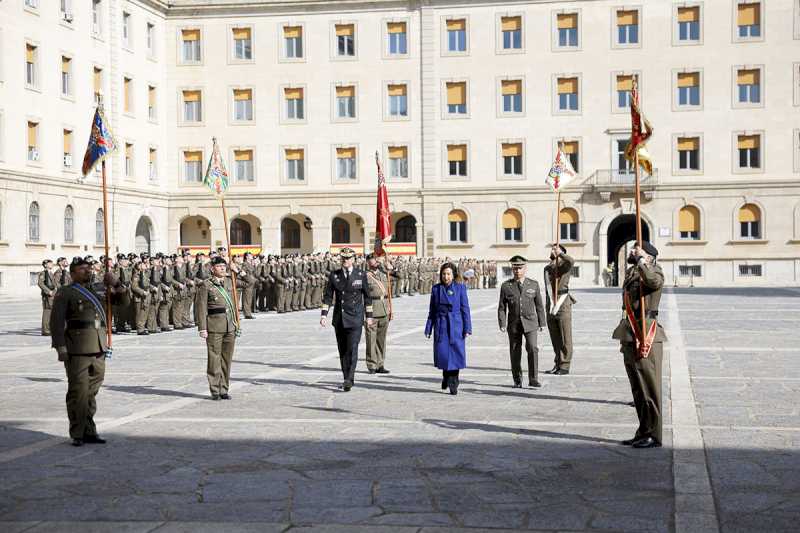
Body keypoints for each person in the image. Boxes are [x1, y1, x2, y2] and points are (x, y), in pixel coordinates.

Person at [49, 256, 125, 446]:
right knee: (78, 391)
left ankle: (89, 430)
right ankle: (78, 432)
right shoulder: (66, 292)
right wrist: (60, 347)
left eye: (89, 269)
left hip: (99, 345)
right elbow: (56, 322)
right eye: (82, 269)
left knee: (91, 391)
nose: (87, 271)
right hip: (78, 348)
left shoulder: (100, 288)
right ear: (73, 273)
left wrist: (116, 283)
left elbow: (123, 302)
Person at [613, 242, 667, 449]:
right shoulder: (631, 272)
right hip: (630, 331)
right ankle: (643, 430)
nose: (633, 251)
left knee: (649, 388)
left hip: (646, 333)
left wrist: (643, 261)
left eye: (638, 249)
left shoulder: (654, 270)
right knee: (638, 388)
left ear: (650, 256)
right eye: (634, 249)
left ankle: (654, 434)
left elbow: (653, 283)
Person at [320, 247, 374, 392]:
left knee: (353, 348)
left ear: (353, 260)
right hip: (340, 318)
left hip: (355, 317)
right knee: (343, 350)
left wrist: (369, 317)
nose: (346, 260)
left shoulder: (360, 275)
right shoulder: (334, 275)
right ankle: (346, 377)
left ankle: (349, 378)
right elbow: (328, 296)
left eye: (349, 258)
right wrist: (324, 314)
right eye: (343, 258)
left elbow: (367, 297)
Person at [195, 256, 239, 401]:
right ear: (212, 269)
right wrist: (202, 328)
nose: (222, 269)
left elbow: (250, 282)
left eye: (224, 266)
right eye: (219, 266)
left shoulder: (229, 281)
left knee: (227, 360)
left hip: (229, 326)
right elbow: (200, 308)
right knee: (214, 359)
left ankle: (224, 389)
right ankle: (215, 389)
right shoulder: (206, 285)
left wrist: (237, 270)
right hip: (214, 326)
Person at [498, 255, 545, 388]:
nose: (517, 271)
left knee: (532, 348)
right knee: (515, 351)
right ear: (512, 269)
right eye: (515, 268)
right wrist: (502, 323)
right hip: (514, 324)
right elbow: (502, 307)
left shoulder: (533, 284)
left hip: (530, 323)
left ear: (525, 268)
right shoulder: (506, 286)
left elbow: (539, 306)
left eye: (520, 268)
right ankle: (517, 379)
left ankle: (533, 378)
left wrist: (542, 323)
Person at [425, 262, 472, 395]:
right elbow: (432, 311)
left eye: (448, 274)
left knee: (456, 355)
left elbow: (465, 309)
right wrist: (429, 328)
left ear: (453, 274)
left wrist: (467, 327)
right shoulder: (436, 289)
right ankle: (446, 376)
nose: (446, 277)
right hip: (441, 325)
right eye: (444, 274)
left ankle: (453, 382)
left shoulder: (460, 288)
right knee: (444, 355)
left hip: (456, 325)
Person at [544, 244, 576, 376]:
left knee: (565, 336)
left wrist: (560, 255)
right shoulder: (547, 268)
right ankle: (557, 363)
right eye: (552, 249)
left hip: (562, 303)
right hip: (551, 303)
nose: (553, 250)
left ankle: (565, 365)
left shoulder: (564, 265)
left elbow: (571, 261)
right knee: (555, 337)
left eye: (555, 248)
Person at [364, 253, 392, 374]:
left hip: (384, 309)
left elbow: (399, 276)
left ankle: (380, 363)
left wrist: (390, 266)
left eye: (375, 261)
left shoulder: (384, 273)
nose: (374, 263)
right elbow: (361, 296)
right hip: (372, 310)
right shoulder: (365, 276)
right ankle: (371, 364)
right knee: (371, 339)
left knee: (381, 339)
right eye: (372, 261)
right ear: (368, 263)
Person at [38, 259, 57, 336]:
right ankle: (45, 330)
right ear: (45, 265)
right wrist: (48, 291)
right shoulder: (43, 273)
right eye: (50, 263)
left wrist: (55, 289)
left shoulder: (51, 273)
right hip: (47, 295)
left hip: (53, 295)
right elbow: (40, 284)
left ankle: (49, 328)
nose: (52, 264)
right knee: (47, 312)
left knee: (51, 312)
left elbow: (54, 283)